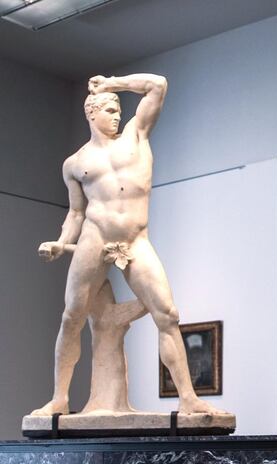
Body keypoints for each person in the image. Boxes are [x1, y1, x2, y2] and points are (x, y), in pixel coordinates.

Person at [34, 74, 222, 415]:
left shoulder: (137, 135)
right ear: (91, 114)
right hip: (95, 237)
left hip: (135, 239)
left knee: (167, 314)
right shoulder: (75, 164)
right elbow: (76, 212)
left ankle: (188, 398)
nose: (117, 114)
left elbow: (158, 85)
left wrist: (113, 83)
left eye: (118, 108)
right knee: (71, 317)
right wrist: (62, 242)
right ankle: (60, 398)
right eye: (108, 109)